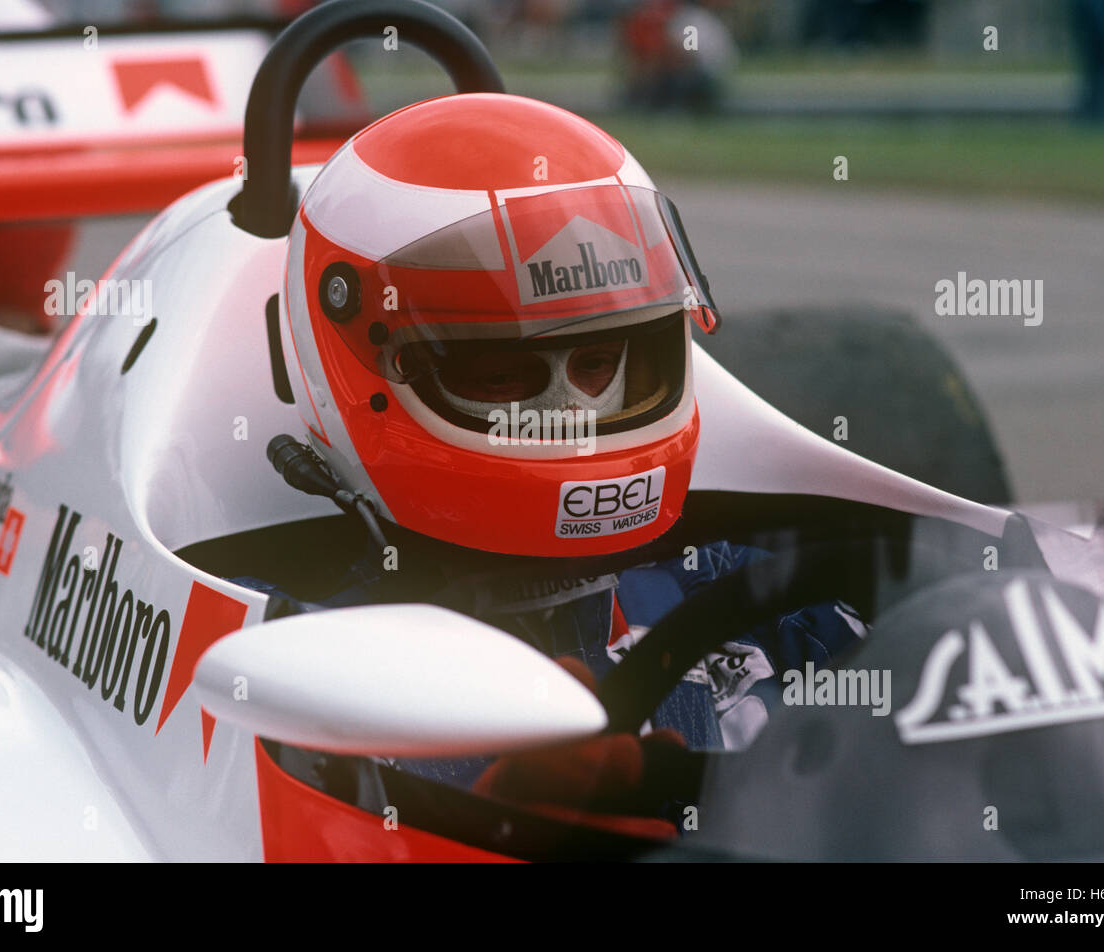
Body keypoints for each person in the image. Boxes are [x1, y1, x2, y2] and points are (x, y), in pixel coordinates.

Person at [273, 91, 862, 825]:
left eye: (596, 362)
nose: (572, 420)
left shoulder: (743, 587)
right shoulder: (302, 671)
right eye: (507, 377)